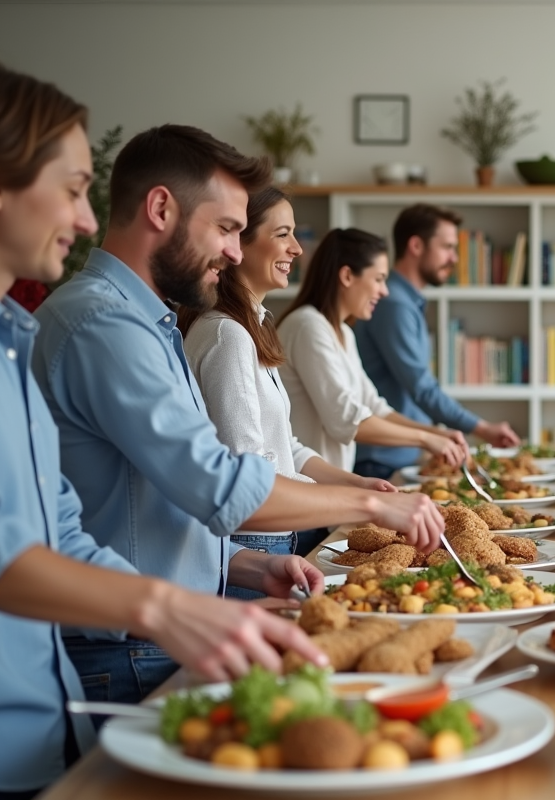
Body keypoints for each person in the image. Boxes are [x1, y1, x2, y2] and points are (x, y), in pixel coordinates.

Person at [0, 60, 324, 800]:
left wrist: (221, 580)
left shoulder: (10, 338)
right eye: (73, 189)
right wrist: (167, 606)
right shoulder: (88, 322)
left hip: (49, 715)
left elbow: (59, 531)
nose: (86, 219)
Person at [31, 124, 444, 706]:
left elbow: (145, 504)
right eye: (226, 228)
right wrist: (376, 505)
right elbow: (219, 484)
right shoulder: (104, 324)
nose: (233, 250)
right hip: (134, 649)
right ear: (160, 209)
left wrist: (237, 563)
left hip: (157, 635)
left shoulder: (147, 323)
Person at [178, 190, 414, 579]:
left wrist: (359, 484)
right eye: (283, 234)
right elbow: (249, 474)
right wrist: (358, 501)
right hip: (250, 542)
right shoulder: (227, 335)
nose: (298, 248)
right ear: (239, 244)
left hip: (269, 538)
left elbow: (287, 448)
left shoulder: (251, 328)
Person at [276, 227, 470, 482]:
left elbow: (374, 407)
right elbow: (346, 420)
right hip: (305, 488)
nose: (384, 291)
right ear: (347, 276)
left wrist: (436, 434)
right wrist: (425, 439)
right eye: (378, 279)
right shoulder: (308, 326)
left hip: (329, 487)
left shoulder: (344, 333)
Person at [353, 203, 520, 480]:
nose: (454, 258)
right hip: (381, 462)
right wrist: (482, 428)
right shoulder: (395, 305)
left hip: (398, 456)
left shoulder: (405, 302)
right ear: (416, 246)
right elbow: (422, 388)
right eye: (447, 247)